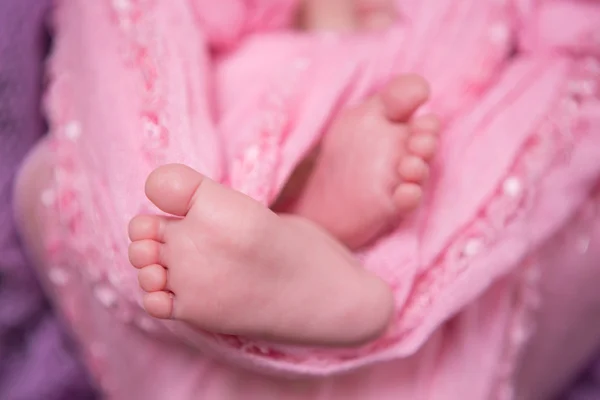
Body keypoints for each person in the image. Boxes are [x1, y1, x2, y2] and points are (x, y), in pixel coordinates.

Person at [13, 0, 600, 398]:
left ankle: (297, 235)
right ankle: (306, 227)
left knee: (59, 180)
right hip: (372, 143)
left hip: (329, 114)